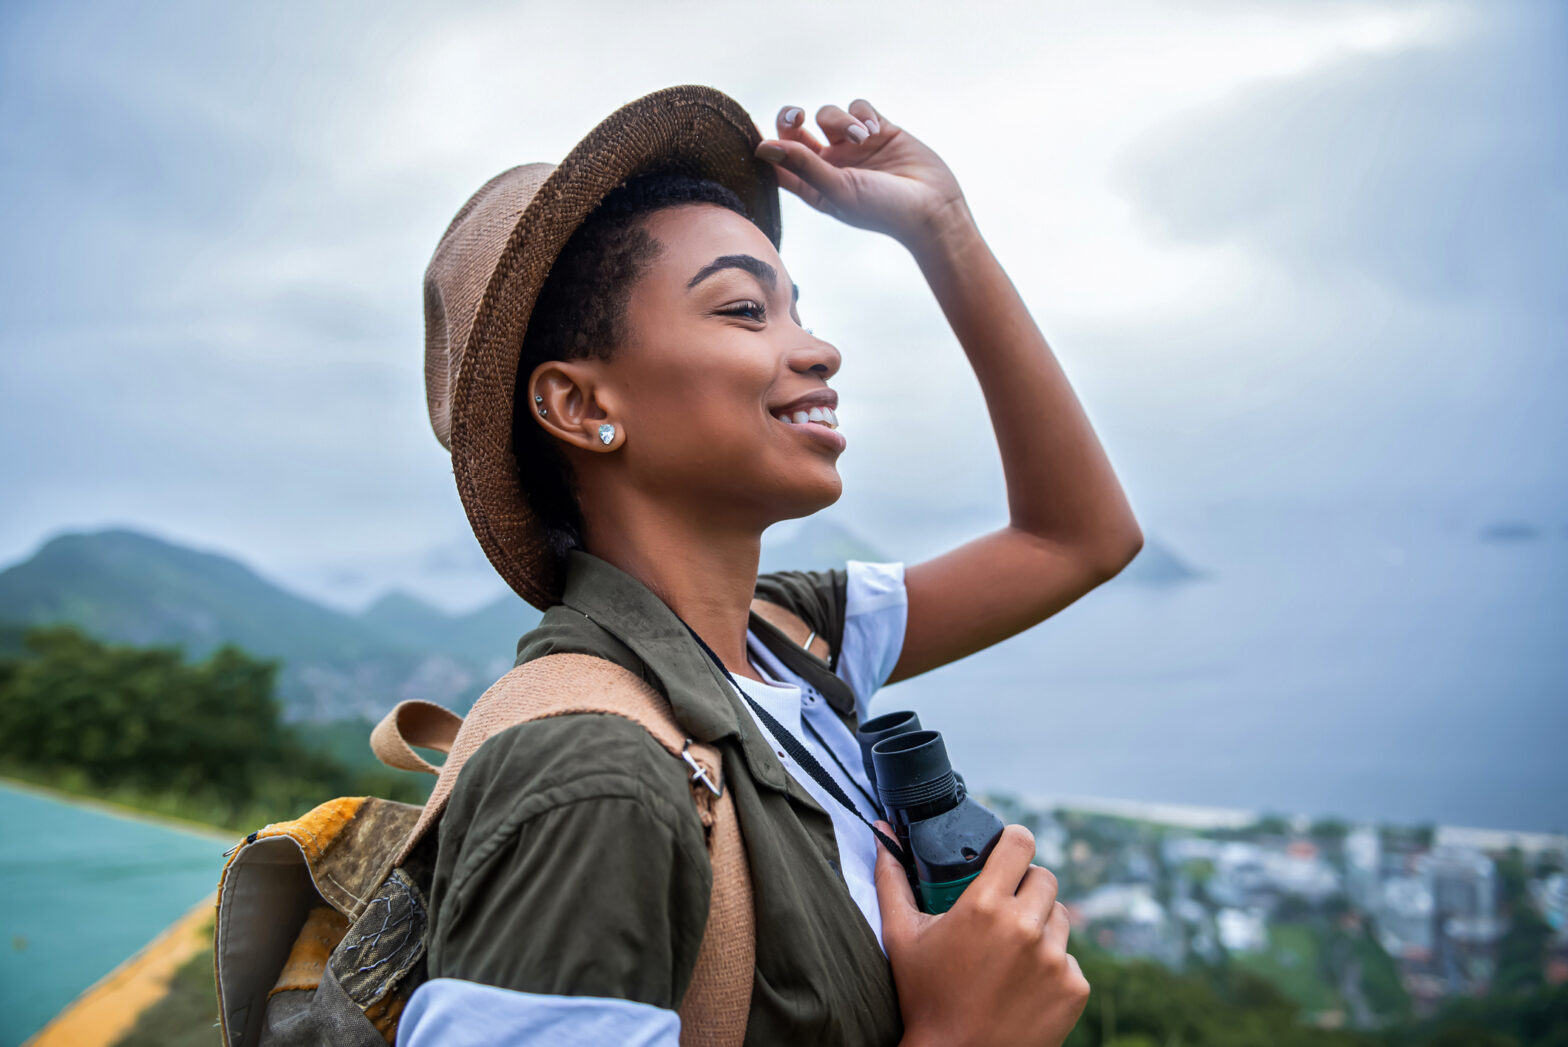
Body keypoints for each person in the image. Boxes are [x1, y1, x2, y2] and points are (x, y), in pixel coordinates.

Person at [400, 86, 1141, 1047]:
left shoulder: (779, 640)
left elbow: (1076, 540)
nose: (819, 349)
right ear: (580, 406)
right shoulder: (594, 776)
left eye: (798, 308)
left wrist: (941, 229)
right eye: (746, 309)